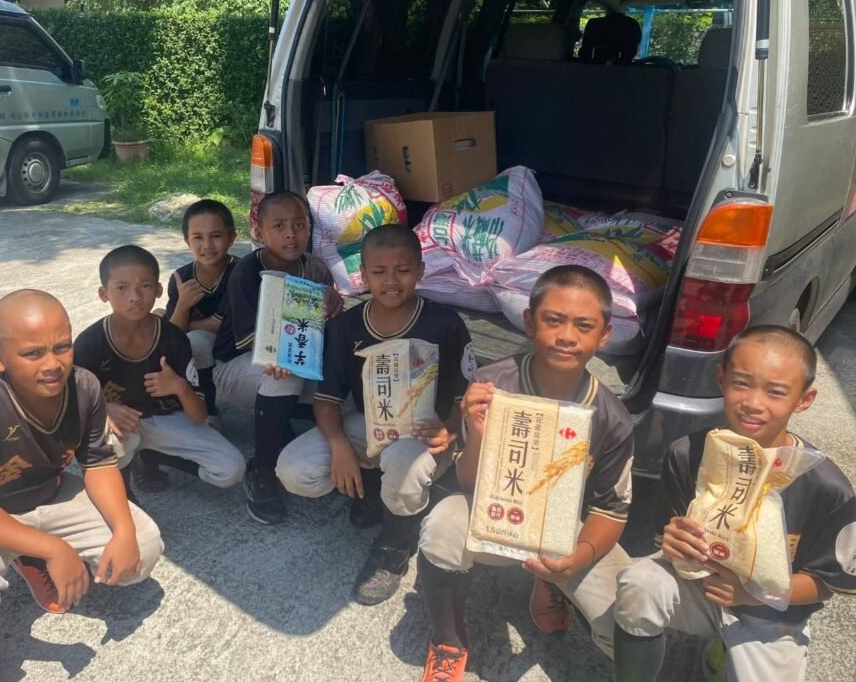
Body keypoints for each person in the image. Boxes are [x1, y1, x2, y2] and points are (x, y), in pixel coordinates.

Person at [0, 290, 164, 682]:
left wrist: (124, 530)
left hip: (48, 494)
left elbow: (98, 463)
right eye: (32, 353)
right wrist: (54, 548)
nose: (52, 364)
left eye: (62, 347)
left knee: (144, 547)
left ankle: (28, 555)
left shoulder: (84, 386)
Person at [416, 265, 635, 681]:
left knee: (627, 624)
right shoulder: (492, 384)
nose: (567, 336)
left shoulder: (612, 418)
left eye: (584, 325)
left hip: (567, 530)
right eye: (554, 320)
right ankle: (448, 640)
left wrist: (577, 558)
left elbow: (612, 510)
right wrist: (477, 435)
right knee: (442, 527)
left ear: (604, 335)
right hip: (499, 509)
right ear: (530, 321)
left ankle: (549, 583)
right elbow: (468, 484)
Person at [613, 325, 856, 682]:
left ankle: (728, 651)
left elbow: (828, 583)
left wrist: (756, 594)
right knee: (639, 583)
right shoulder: (687, 454)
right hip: (701, 588)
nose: (753, 403)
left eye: (776, 392)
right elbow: (670, 540)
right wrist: (674, 540)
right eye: (741, 383)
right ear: (721, 379)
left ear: (804, 399)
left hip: (772, 613)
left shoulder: (827, 487)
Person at [276, 224, 476, 605]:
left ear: (420, 270)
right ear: (363, 275)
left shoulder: (445, 324)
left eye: (403, 270)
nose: (391, 281)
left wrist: (449, 432)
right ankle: (374, 493)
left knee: (402, 460)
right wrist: (339, 446)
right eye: (379, 272)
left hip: (425, 435)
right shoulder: (347, 326)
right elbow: (327, 399)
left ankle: (394, 545)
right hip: (371, 426)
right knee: (294, 469)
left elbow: (466, 396)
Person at [212, 190, 344, 524]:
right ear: (259, 231)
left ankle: (282, 428)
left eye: (299, 225)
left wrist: (333, 305)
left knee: (341, 382)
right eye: (279, 225)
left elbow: (323, 333)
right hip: (237, 368)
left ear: (310, 228)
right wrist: (282, 354)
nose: (291, 234)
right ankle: (263, 471)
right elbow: (248, 341)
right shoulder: (247, 271)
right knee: (283, 372)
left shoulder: (315, 269)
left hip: (294, 361)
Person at [74, 245, 245, 495]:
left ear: (158, 290)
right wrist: (104, 408)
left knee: (231, 468)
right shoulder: (89, 343)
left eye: (144, 285)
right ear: (103, 293)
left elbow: (199, 416)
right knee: (108, 441)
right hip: (123, 423)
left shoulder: (173, 339)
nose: (134, 296)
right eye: (121, 288)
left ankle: (154, 455)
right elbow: (71, 401)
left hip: (165, 420)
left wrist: (180, 387)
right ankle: (125, 496)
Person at [162, 199, 239, 426]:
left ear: (232, 237)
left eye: (216, 236)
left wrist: (175, 320)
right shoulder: (181, 278)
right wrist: (183, 305)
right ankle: (199, 408)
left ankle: (212, 409)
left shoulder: (240, 272)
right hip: (204, 344)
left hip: (236, 344)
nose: (207, 245)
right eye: (198, 237)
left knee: (194, 339)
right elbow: (174, 332)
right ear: (187, 241)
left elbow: (217, 325)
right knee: (187, 342)